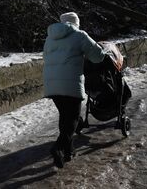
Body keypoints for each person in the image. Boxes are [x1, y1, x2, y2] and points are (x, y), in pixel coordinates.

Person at [42, 12, 106, 168]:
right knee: (73, 119)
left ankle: (69, 151)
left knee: (65, 116)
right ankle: (57, 148)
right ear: (76, 22)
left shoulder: (50, 38)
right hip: (71, 83)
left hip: (52, 84)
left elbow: (46, 57)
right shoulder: (79, 35)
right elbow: (98, 57)